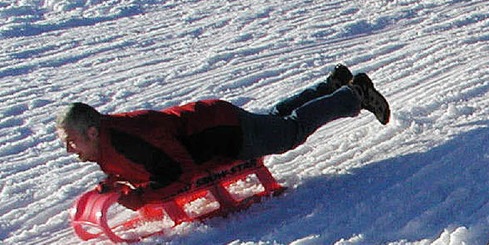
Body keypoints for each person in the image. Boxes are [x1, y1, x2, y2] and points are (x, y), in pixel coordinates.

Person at [56, 64, 390, 210]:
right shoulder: (109, 141)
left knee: (289, 132)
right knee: (275, 120)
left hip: (222, 133)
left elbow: (179, 170)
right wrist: (114, 183)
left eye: (72, 141)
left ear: (91, 131)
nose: (70, 150)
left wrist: (142, 198)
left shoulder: (127, 138)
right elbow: (141, 164)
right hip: (213, 119)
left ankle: (354, 94)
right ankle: (330, 86)